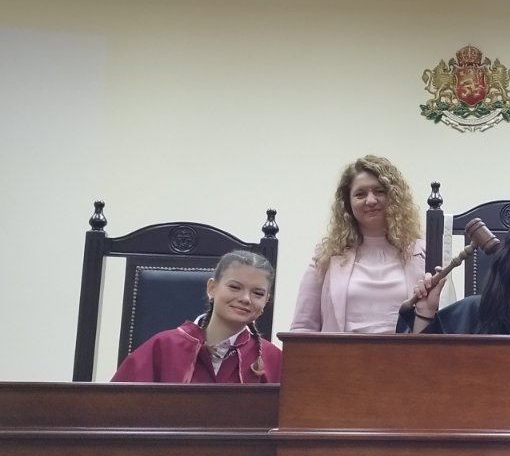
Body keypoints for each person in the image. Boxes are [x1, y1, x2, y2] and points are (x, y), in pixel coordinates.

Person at [291, 155, 426, 333]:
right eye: (360, 194)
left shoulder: (423, 252)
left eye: (379, 191)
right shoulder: (327, 255)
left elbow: (440, 324)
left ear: (394, 197)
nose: (371, 200)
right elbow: (303, 327)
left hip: (406, 351)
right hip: (339, 351)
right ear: (348, 204)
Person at [112, 250, 283, 383]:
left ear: (266, 301)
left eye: (258, 293)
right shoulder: (163, 347)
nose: (246, 298)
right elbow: (116, 406)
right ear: (212, 288)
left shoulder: (273, 359)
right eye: (235, 287)